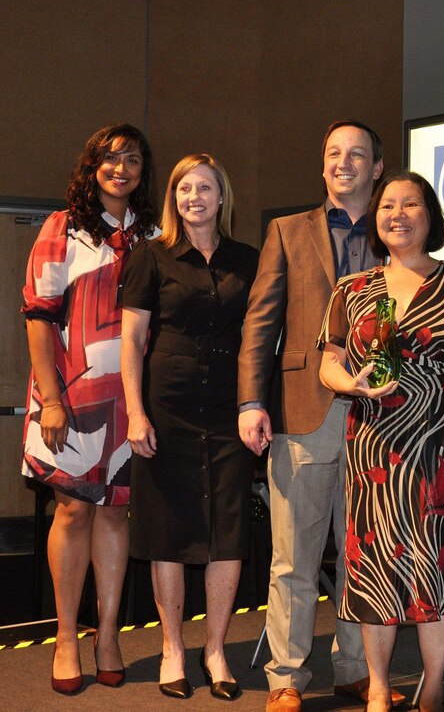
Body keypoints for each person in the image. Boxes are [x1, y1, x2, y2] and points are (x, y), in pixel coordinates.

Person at [237, 121, 395, 712]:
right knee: (293, 557)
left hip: (382, 416)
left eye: (357, 154)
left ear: (377, 167)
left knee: (363, 552)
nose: (343, 163)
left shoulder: (396, 227)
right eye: (333, 153)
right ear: (322, 164)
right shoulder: (287, 231)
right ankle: (286, 676)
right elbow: (260, 324)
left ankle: (355, 667)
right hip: (303, 411)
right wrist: (252, 402)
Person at [319, 171, 444, 712]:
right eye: (387, 206)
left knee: (437, 563)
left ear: (431, 217)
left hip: (438, 447)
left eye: (410, 205)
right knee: (375, 563)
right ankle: (378, 687)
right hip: (373, 448)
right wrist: (346, 383)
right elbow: (330, 360)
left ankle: (433, 687)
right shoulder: (352, 290)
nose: (398, 214)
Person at [22, 123, 156, 695]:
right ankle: (68, 636)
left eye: (131, 159)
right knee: (73, 513)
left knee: (115, 514)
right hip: (68, 395)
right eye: (109, 158)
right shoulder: (62, 227)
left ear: (144, 171)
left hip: (130, 400)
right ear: (91, 166)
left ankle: (108, 634)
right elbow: (37, 315)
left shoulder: (154, 234)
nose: (120, 168)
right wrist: (51, 399)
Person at [121, 154, 259, 701]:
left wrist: (256, 404)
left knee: (228, 530)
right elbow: (132, 342)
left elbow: (261, 335)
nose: (194, 198)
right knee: (168, 530)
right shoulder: (150, 258)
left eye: (205, 188)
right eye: (183, 189)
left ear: (222, 197)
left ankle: (216, 649)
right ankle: (174, 648)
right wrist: (135, 412)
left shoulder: (248, 260)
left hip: (231, 410)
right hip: (167, 406)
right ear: (173, 200)